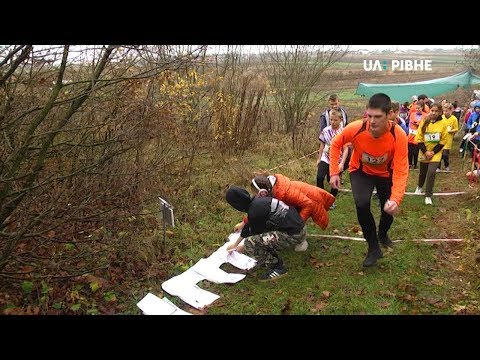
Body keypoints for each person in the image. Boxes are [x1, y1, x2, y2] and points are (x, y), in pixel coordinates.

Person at [329, 93, 409, 267]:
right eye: (369, 115)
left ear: (389, 115)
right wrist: (334, 172)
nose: (372, 121)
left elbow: (402, 169)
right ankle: (373, 247)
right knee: (362, 204)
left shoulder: (399, 135)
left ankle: (382, 233)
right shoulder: (357, 128)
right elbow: (335, 144)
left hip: (386, 174)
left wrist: (396, 199)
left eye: (378, 117)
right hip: (361, 171)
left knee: (388, 209)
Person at [225, 186, 306, 281]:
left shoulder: (255, 211)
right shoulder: (258, 201)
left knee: (250, 243)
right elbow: (250, 225)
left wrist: (241, 248)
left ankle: (278, 267)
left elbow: (254, 234)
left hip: (294, 235)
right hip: (299, 227)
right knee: (259, 238)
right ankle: (267, 257)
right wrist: (235, 244)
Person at [234, 172, 335, 236]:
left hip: (311, 200)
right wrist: (243, 223)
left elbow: (308, 204)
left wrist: (298, 223)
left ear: (263, 192)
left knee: (292, 224)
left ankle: (299, 239)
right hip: (301, 202)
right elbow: (259, 209)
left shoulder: (286, 193)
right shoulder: (274, 190)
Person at [414, 104, 448, 205]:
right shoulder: (424, 121)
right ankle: (419, 186)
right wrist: (426, 152)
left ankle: (428, 195)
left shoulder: (443, 124)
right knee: (423, 171)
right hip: (424, 150)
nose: (433, 113)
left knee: (431, 172)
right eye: (432, 110)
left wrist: (433, 152)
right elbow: (419, 137)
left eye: (436, 111)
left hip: (436, 152)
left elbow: (443, 140)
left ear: (440, 112)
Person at [316, 109, 349, 208]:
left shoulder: (343, 132)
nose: (333, 122)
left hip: (337, 161)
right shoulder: (325, 130)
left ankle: (331, 200)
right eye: (331, 120)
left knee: (334, 181)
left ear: (340, 120)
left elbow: (346, 149)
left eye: (335, 120)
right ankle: (320, 197)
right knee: (320, 177)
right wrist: (319, 158)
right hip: (325, 158)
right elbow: (322, 145)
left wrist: (342, 163)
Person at [437, 103, 458, 171]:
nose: (445, 112)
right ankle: (438, 167)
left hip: (448, 139)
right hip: (440, 138)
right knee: (439, 153)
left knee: (445, 154)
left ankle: (446, 166)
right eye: (444, 111)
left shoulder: (454, 119)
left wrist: (451, 131)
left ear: (450, 110)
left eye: (447, 111)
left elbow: (456, 129)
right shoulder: (441, 117)